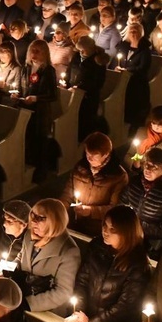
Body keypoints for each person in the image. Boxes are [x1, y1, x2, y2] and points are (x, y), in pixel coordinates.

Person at [64, 205, 151, 322]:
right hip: (85, 319)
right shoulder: (97, 246)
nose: (105, 231)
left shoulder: (137, 263)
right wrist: (78, 313)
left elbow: (125, 306)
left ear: (126, 233)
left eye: (113, 229)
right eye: (105, 225)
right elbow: (82, 281)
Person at [10, 199, 81, 313]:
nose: (32, 222)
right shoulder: (30, 234)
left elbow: (63, 292)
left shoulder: (69, 251)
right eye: (32, 215)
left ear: (55, 221)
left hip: (45, 310)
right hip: (20, 298)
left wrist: (27, 304)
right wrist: (7, 269)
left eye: (40, 218)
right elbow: (21, 256)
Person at [120, 147, 162, 260]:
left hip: (152, 248)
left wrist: (140, 227)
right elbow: (122, 202)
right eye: (147, 164)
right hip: (128, 237)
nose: (148, 169)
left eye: (154, 167)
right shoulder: (135, 182)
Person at [61, 132, 128, 236]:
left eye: (94, 155)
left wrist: (91, 211)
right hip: (75, 223)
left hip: (99, 230)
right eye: (87, 154)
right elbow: (68, 194)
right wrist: (60, 209)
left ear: (106, 154)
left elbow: (115, 208)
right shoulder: (80, 168)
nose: (89, 158)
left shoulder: (118, 176)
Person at [15, 40, 61, 182]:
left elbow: (52, 94)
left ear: (44, 53)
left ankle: (41, 173)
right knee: (27, 139)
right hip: (25, 109)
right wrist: (17, 94)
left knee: (40, 141)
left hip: (40, 111)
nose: (34, 54)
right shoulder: (26, 68)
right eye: (32, 50)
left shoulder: (48, 71)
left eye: (37, 51)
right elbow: (21, 87)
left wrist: (36, 98)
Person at [66, 36, 108, 141]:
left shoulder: (98, 61)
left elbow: (98, 82)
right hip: (72, 92)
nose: (81, 53)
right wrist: (67, 83)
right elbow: (70, 70)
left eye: (83, 51)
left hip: (88, 98)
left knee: (85, 122)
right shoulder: (76, 56)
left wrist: (80, 87)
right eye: (80, 50)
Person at [113, 22, 151, 132]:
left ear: (141, 33)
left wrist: (127, 70)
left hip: (137, 84)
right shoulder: (124, 46)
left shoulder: (144, 50)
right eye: (131, 31)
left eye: (136, 31)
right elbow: (117, 61)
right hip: (123, 81)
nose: (133, 34)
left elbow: (143, 67)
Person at [125, 105, 162, 171]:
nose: (156, 127)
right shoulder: (142, 132)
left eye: (161, 124)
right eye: (154, 123)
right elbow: (129, 155)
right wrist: (135, 164)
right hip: (140, 173)